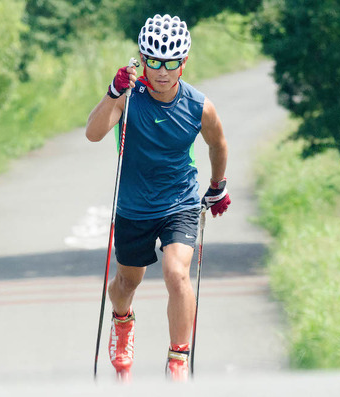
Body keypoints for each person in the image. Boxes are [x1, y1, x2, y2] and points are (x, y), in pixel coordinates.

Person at [85, 13, 231, 381]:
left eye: (169, 63)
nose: (160, 72)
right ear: (141, 59)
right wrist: (111, 94)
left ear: (183, 63)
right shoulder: (129, 99)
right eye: (152, 61)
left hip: (179, 203)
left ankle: (177, 359)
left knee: (176, 273)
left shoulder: (200, 106)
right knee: (126, 284)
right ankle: (122, 321)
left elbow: (218, 144)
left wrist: (217, 186)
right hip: (134, 207)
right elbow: (93, 133)